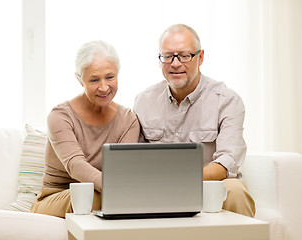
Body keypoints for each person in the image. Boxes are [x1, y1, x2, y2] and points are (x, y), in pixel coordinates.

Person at [133, 24, 255, 217]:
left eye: (184, 55)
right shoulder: (143, 101)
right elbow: (135, 158)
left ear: (200, 57)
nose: (175, 63)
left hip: (209, 185)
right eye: (168, 56)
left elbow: (227, 161)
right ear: (159, 59)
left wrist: (184, 178)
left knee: (236, 191)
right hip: (159, 186)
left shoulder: (227, 101)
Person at [31, 40, 140, 218]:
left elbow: (122, 171)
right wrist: (119, 189)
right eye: (94, 80)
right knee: (90, 197)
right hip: (57, 198)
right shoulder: (60, 116)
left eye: (110, 77)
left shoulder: (128, 120)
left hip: (105, 194)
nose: (104, 87)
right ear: (80, 79)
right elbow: (76, 165)